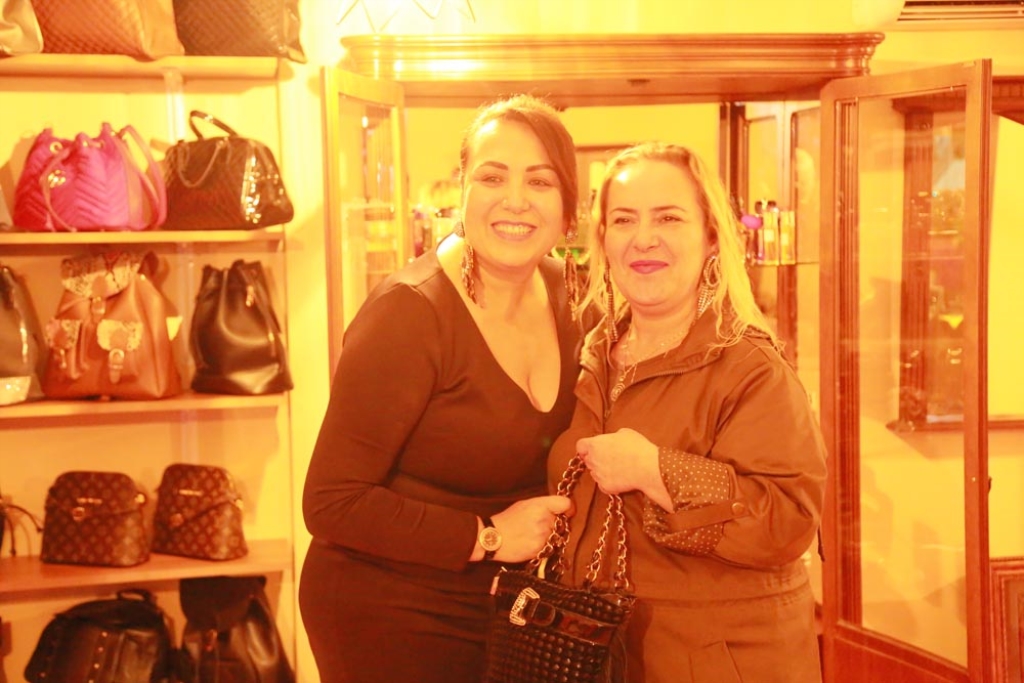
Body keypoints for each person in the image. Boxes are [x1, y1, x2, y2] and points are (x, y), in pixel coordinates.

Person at [300, 94, 581, 683]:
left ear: (567, 205)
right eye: (492, 177)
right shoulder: (410, 311)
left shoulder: (570, 296)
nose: (515, 199)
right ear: (462, 190)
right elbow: (331, 502)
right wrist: (487, 537)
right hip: (387, 606)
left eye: (540, 181)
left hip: (503, 607)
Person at [548, 141, 826, 683]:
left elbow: (789, 522)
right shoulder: (592, 353)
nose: (643, 238)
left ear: (711, 237)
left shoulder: (751, 368)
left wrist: (656, 471)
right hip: (601, 655)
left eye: (669, 218)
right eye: (623, 219)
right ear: (602, 240)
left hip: (720, 662)